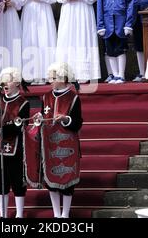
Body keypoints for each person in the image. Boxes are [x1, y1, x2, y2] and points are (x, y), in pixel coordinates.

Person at [34, 62, 83, 218]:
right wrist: (40, 117)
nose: (50, 80)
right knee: (51, 181)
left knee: (68, 180)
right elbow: (44, 116)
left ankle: (65, 214)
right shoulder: (46, 96)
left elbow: (78, 123)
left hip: (68, 144)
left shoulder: (73, 98)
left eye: (53, 77)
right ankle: (56, 214)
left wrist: (65, 119)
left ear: (63, 78)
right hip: (49, 143)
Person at [0, 67, 29, 218]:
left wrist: (3, 128)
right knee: (1, 181)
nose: (5, 84)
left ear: (17, 83)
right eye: (3, 80)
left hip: (15, 147)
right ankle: (2, 214)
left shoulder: (23, 103)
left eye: (9, 81)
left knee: (17, 180)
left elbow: (20, 127)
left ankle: (19, 214)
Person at [18, 0, 57, 84]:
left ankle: (46, 73)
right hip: (29, 11)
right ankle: (32, 74)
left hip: (43, 9)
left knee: (44, 38)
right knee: (31, 39)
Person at [97, 0, 129, 84]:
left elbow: (129, 7)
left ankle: (121, 75)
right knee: (110, 50)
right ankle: (114, 74)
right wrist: (100, 26)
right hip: (107, 24)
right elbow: (99, 9)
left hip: (121, 24)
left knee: (121, 49)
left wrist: (128, 24)